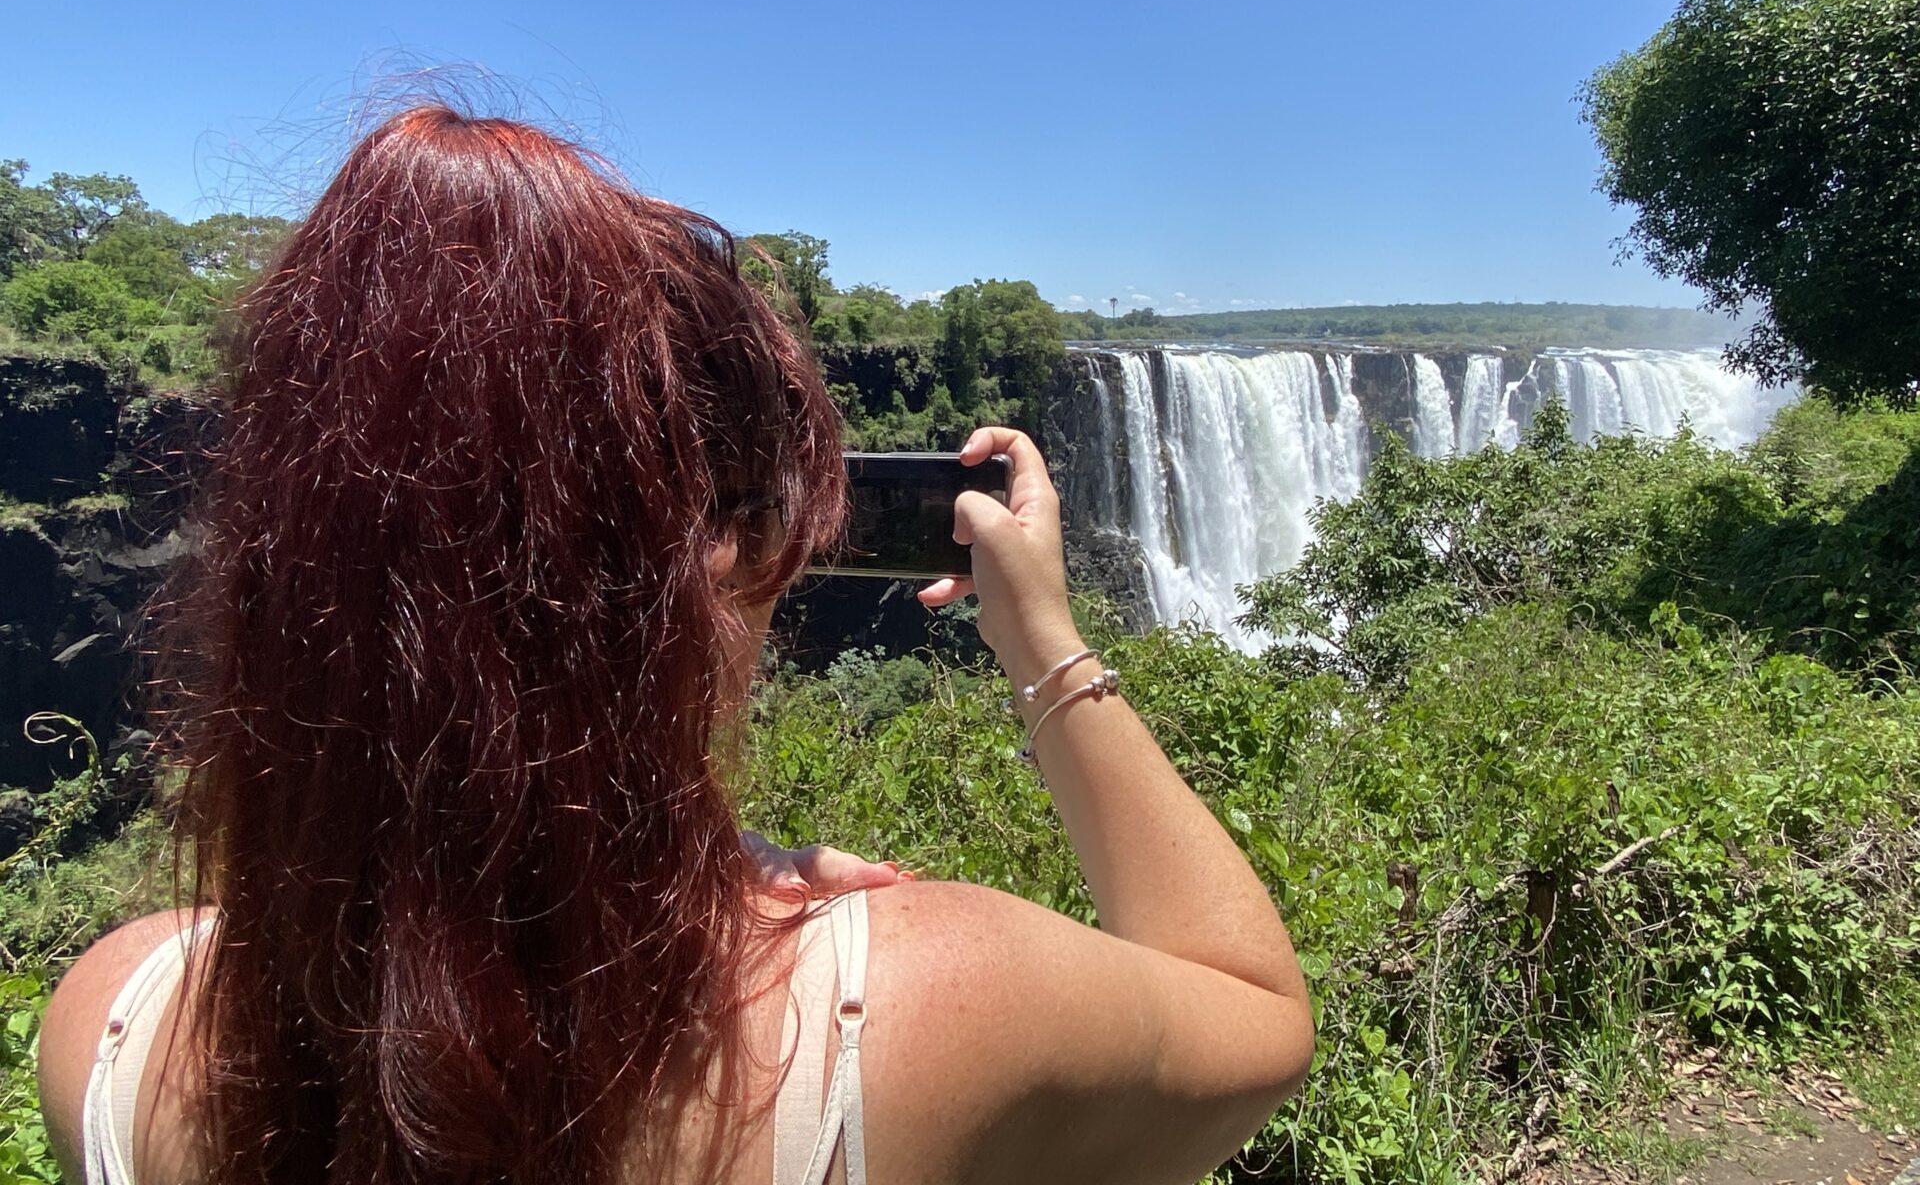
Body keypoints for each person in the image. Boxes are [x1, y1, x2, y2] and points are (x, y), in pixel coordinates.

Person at [36, 106, 1314, 1185]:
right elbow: (1256, 1013)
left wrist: (677, 862)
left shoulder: (110, 1026)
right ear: (715, 563)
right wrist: (1044, 641)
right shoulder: (927, 1014)